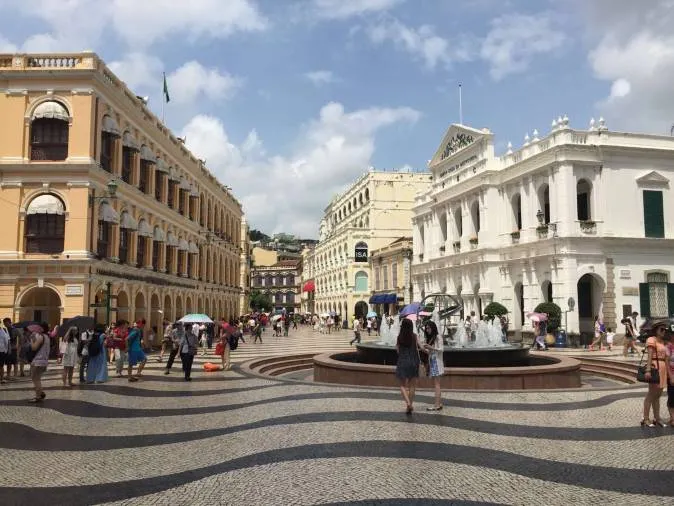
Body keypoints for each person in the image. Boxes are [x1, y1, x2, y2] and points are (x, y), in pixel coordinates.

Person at [641, 320, 669, 427]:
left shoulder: (662, 341)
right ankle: (646, 418)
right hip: (654, 367)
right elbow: (649, 356)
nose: (663, 331)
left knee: (658, 395)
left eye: (664, 330)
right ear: (655, 330)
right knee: (651, 395)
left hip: (662, 368)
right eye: (661, 329)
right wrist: (648, 369)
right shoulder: (651, 340)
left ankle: (657, 418)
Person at [395, 318, 420, 414]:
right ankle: (409, 406)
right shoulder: (414, 336)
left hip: (403, 362)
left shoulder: (399, 337)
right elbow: (420, 346)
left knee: (402, 385)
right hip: (414, 362)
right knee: (412, 386)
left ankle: (409, 404)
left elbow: (397, 350)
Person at [422, 321, 444, 411]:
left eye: (429, 328)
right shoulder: (431, 338)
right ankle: (439, 403)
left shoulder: (438, 337)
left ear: (433, 328)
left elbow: (441, 349)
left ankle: (437, 405)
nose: (427, 330)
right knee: (436, 384)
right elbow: (431, 352)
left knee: (437, 384)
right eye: (426, 329)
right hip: (433, 362)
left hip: (437, 363)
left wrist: (431, 348)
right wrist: (424, 349)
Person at [29, 323, 50, 402]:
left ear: (42, 329)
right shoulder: (47, 337)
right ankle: (40, 393)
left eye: (39, 328)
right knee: (37, 379)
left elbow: (34, 348)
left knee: (36, 380)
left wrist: (31, 339)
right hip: (44, 361)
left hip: (38, 361)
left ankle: (38, 396)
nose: (37, 329)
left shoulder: (41, 336)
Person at [665, 330, 674, 427]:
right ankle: (672, 417)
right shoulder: (668, 347)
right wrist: (671, 376)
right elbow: (666, 363)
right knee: (672, 397)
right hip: (672, 375)